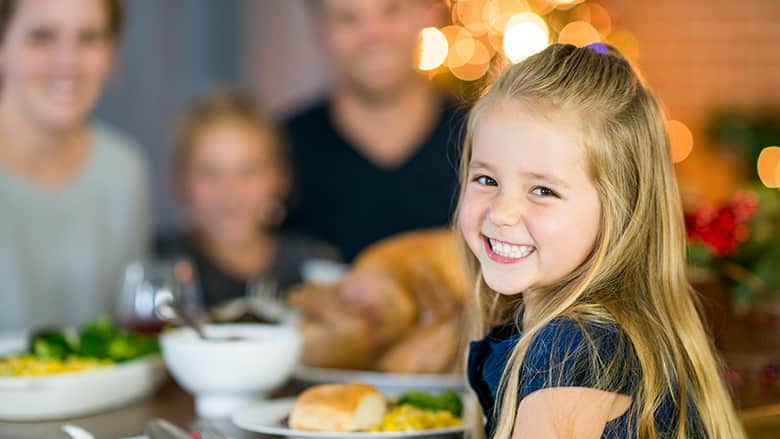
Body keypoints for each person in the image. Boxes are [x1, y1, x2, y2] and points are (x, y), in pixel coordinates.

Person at [457, 44, 745, 438]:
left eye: (542, 190)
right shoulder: (586, 332)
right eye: (486, 180)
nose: (501, 212)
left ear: (619, 208)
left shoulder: (571, 347)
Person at [0, 0, 149, 331]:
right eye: (41, 37)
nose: (67, 63)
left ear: (111, 53)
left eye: (89, 37)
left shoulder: (123, 172)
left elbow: (130, 335)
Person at [284, 0, 464, 261]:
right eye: (348, 18)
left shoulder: (481, 139)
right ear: (319, 32)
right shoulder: (282, 151)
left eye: (392, 10)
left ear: (429, 15)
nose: (374, 35)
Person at [155, 90, 339, 311]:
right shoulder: (158, 264)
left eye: (248, 171)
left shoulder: (316, 268)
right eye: (209, 173)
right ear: (181, 181)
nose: (230, 193)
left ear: (280, 178)